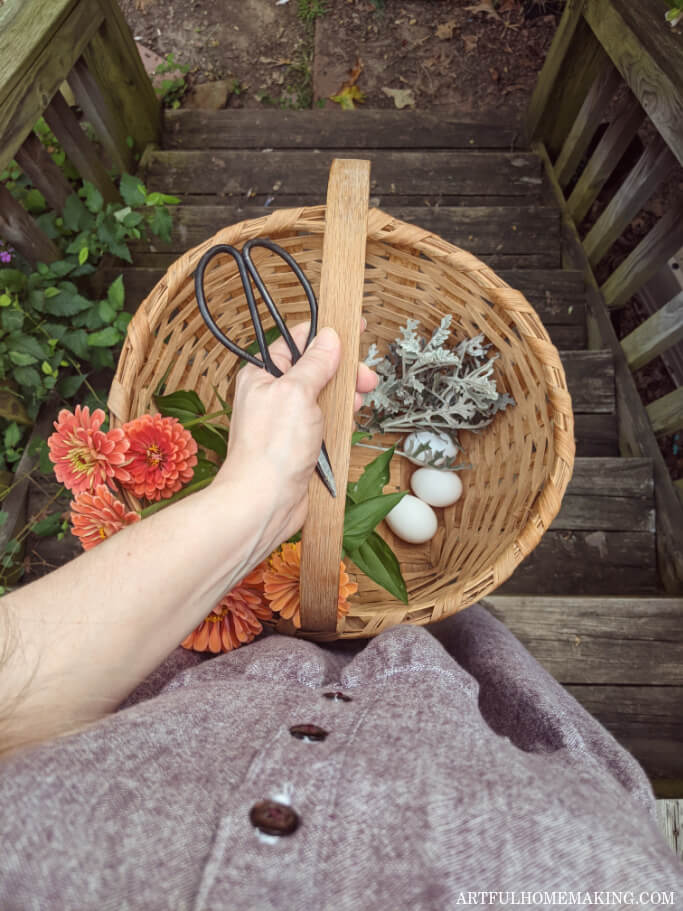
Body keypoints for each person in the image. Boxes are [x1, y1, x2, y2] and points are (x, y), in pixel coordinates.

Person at [0, 325, 680, 910]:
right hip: (438, 670)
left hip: (225, 656)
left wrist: (254, 492)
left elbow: (14, 688)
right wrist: (260, 496)